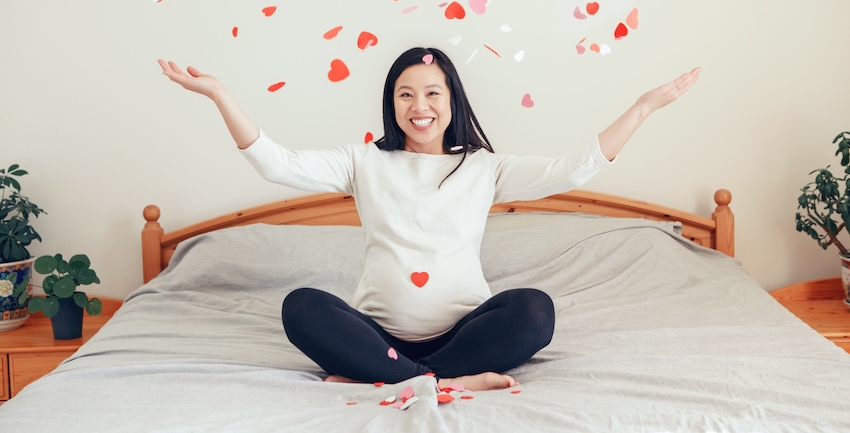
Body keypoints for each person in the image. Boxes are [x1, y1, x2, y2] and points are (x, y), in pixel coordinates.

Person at [158, 47, 700, 392]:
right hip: (376, 334)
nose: (420, 104)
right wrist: (219, 94)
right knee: (302, 306)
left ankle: (401, 379)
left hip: (463, 333)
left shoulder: (483, 168)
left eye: (432, 92)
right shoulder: (363, 161)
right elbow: (277, 163)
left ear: (451, 100)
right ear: (392, 104)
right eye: (406, 93)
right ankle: (440, 381)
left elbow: (572, 170)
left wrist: (643, 108)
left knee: (535, 311)